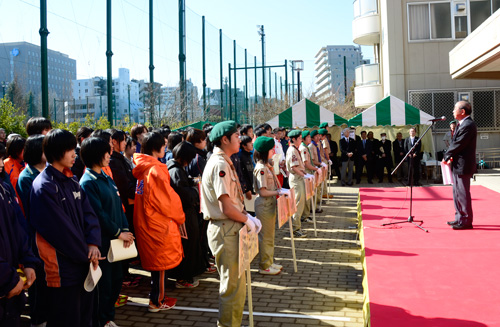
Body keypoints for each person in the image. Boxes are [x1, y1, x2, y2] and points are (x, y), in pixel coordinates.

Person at [30, 129, 103, 327]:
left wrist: (93, 243)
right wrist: (87, 253)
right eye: (70, 150)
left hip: (83, 263)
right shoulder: (44, 186)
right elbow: (60, 231)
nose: (74, 154)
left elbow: (90, 215)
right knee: (66, 319)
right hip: (62, 269)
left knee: (85, 318)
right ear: (56, 151)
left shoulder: (71, 181)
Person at [200, 121, 262, 327]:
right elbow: (226, 207)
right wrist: (247, 219)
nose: (241, 139)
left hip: (230, 228)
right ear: (224, 140)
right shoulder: (219, 164)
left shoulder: (224, 161)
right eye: (236, 136)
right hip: (226, 229)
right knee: (232, 286)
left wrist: (246, 217)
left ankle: (233, 323)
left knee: (237, 284)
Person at [79, 137, 134, 327]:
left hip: (117, 243)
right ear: (96, 155)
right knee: (104, 286)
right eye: (106, 151)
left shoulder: (105, 176)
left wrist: (125, 229)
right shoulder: (88, 182)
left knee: (116, 282)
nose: (110, 155)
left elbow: (118, 207)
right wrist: (119, 232)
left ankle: (108, 318)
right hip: (103, 243)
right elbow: (98, 215)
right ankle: (101, 321)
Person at [133, 132, 185, 312]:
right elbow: (167, 201)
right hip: (157, 224)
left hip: (146, 222)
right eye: (163, 145)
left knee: (157, 266)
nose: (165, 148)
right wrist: (180, 216)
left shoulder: (144, 168)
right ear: (156, 148)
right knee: (160, 266)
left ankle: (158, 297)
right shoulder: (154, 170)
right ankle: (156, 301)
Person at [167, 142, 207, 288]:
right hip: (183, 214)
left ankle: (185, 276)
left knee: (189, 245)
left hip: (185, 213)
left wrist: (192, 182)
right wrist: (196, 190)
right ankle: (183, 278)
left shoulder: (174, 168)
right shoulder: (175, 171)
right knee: (187, 246)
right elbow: (183, 194)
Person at [0, 179, 38, 327]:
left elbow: (18, 226)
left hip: (11, 292)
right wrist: (8, 278)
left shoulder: (4, 188)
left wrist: (28, 261)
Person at [443, 101, 477, 230]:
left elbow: (459, 143)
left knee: (463, 193)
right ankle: (459, 217)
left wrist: (446, 155)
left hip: (464, 165)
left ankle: (466, 220)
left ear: (463, 111)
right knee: (456, 192)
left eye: (455, 109)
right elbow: (455, 143)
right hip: (458, 164)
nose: (452, 111)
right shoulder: (460, 124)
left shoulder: (468, 125)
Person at [253, 136, 283, 275]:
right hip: (264, 205)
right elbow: (263, 191)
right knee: (265, 237)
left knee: (270, 235)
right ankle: (264, 265)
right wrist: (277, 192)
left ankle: (269, 261)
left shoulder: (266, 166)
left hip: (269, 204)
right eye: (270, 149)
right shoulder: (261, 169)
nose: (273, 150)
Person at [286, 129, 307, 237]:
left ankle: (297, 227)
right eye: (299, 138)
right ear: (293, 139)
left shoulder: (295, 149)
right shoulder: (292, 150)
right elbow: (293, 167)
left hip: (298, 177)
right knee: (298, 204)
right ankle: (295, 228)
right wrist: (304, 175)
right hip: (296, 179)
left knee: (300, 203)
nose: (301, 140)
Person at [299, 130, 319, 223]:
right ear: (303, 139)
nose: (309, 139)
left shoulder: (306, 147)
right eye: (308, 137)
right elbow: (306, 164)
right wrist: (315, 169)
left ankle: (306, 214)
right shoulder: (303, 148)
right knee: (307, 196)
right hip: (305, 173)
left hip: (308, 172)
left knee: (309, 195)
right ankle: (305, 216)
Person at [239, 135, 255, 204]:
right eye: (249, 142)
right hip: (246, 191)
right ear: (244, 145)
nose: (252, 144)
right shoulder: (241, 157)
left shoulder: (248, 155)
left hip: (252, 188)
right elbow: (242, 175)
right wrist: (246, 189)